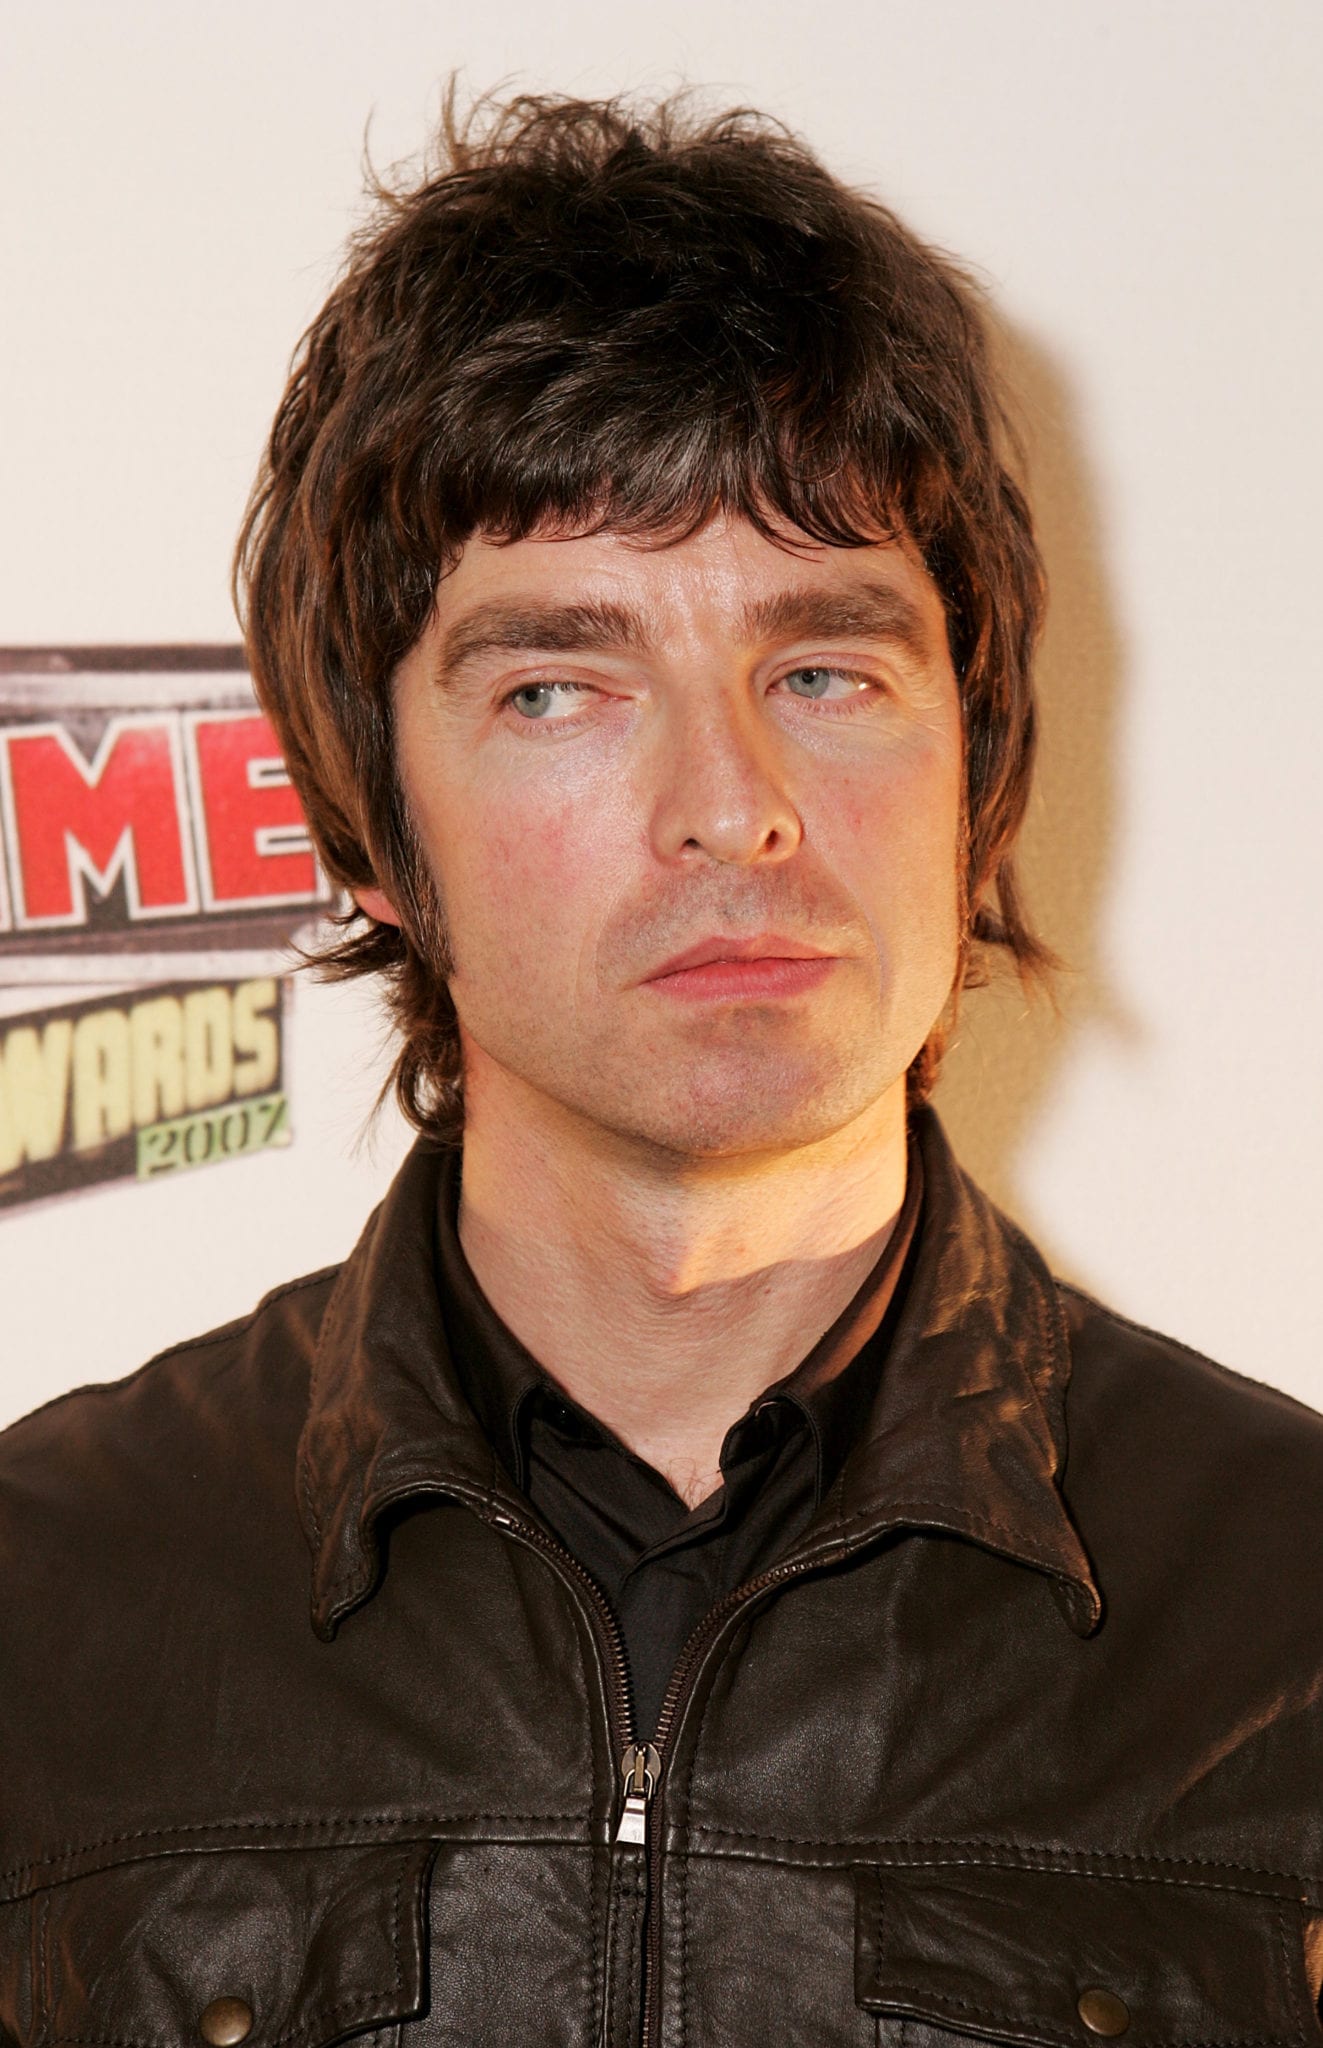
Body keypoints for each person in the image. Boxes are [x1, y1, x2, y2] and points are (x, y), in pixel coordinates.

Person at [1, 90, 1319, 2047]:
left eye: (824, 671)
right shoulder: (45, 1599)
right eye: (561, 685)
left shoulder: (1285, 1613)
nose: (731, 804)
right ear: (368, 827)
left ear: (976, 778)